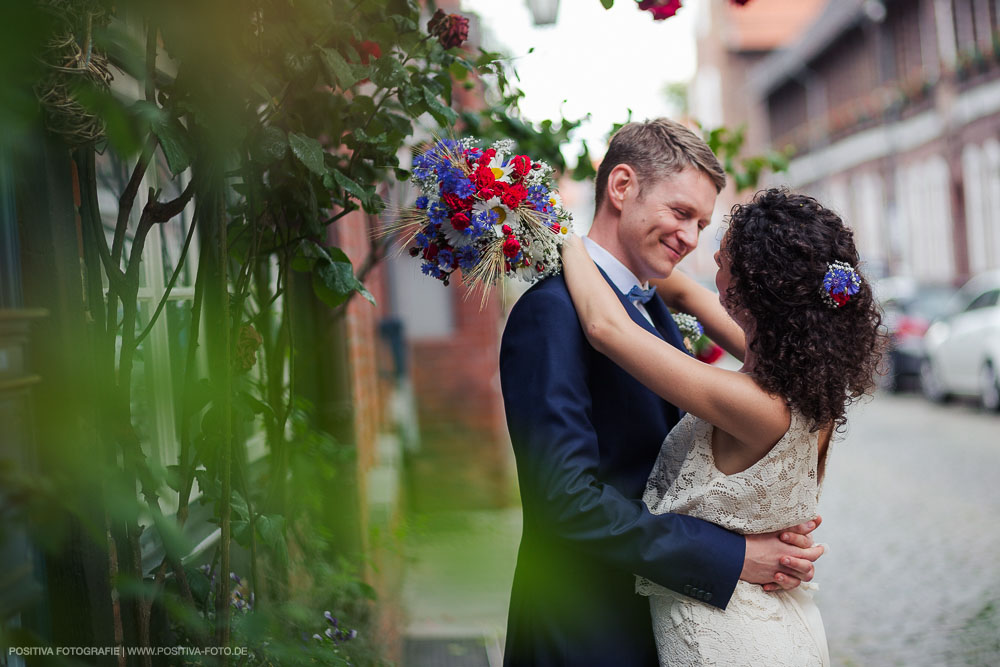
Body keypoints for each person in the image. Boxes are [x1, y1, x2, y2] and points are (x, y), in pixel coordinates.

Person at [498, 118, 827, 666]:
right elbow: (565, 501)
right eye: (680, 213)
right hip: (584, 630)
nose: (692, 238)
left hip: (655, 622)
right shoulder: (551, 313)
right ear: (621, 187)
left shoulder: (649, 304)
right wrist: (732, 556)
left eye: (701, 223)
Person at [560, 187, 884, 665]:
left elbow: (606, 329)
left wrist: (559, 236)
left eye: (725, 255)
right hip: (771, 620)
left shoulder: (756, 404)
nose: (710, 253)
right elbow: (688, 293)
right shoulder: (805, 380)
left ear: (750, 291)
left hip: (728, 637)